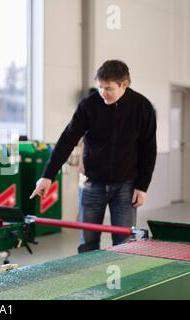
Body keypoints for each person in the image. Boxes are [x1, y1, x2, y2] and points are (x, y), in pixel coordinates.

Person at [30, 60, 157, 253]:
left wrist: (142, 186)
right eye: (100, 87)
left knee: (124, 243)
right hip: (93, 184)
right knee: (87, 242)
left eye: (108, 88)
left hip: (126, 186)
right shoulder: (89, 105)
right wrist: (47, 175)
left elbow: (149, 149)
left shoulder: (142, 107)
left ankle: (122, 282)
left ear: (124, 85)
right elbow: (67, 139)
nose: (103, 93)